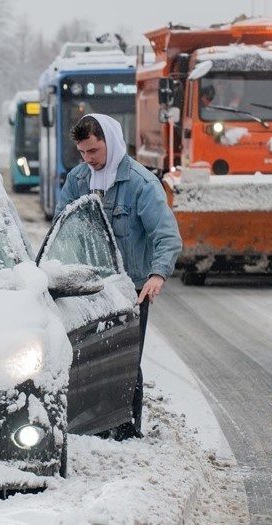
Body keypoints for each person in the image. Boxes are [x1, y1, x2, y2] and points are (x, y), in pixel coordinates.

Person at [54, 114, 182, 440]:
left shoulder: (141, 184)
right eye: (82, 153)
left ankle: (127, 428)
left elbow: (166, 236)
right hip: (88, 287)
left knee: (125, 360)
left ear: (109, 142)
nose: (88, 160)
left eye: (94, 151)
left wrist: (157, 275)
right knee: (88, 357)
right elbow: (62, 227)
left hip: (131, 289)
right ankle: (90, 425)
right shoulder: (78, 180)